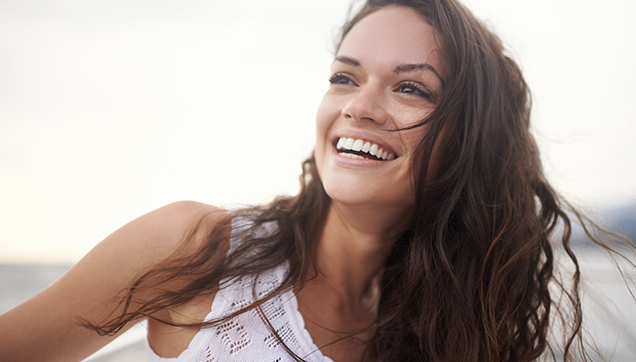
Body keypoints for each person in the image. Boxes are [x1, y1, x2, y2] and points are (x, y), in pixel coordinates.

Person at [0, 0, 633, 361]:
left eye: (410, 88)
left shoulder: (454, 332)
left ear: (470, 141)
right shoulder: (198, 248)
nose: (358, 105)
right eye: (345, 77)